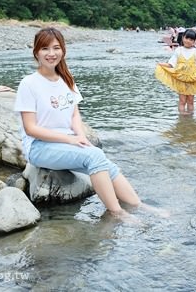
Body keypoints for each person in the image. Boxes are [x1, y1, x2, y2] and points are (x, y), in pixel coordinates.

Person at [14, 28, 148, 222]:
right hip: (39, 147)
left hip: (65, 142)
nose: (51, 54)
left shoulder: (66, 79)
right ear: (36, 52)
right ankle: (117, 212)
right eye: (45, 48)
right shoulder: (29, 84)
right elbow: (31, 128)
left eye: (56, 48)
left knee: (105, 163)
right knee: (95, 156)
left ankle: (138, 205)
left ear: (63, 50)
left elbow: (74, 114)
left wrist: (81, 137)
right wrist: (70, 139)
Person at [155, 28, 196, 115]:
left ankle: (190, 116)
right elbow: (171, 63)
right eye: (187, 38)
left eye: (191, 39)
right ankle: (182, 117)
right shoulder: (178, 50)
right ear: (183, 37)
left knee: (191, 100)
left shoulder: (195, 51)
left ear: (194, 41)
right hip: (181, 79)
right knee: (182, 100)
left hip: (192, 79)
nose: (188, 41)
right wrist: (161, 64)